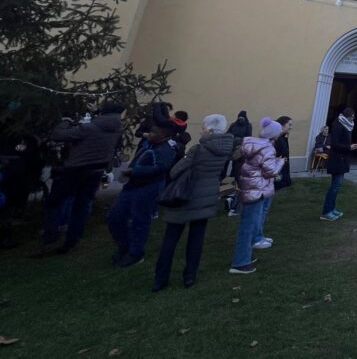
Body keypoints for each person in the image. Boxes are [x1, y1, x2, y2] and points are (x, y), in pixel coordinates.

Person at [152, 114, 234, 291]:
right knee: (197, 238)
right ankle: (189, 276)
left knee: (171, 238)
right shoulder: (225, 148)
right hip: (206, 197)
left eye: (203, 128)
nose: (201, 130)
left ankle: (161, 278)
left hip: (185, 196)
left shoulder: (198, 149)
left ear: (210, 131)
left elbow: (175, 172)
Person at [41, 102, 124, 255]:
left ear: (104, 112)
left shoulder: (89, 128)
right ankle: (73, 239)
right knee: (82, 205)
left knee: (54, 202)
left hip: (76, 169)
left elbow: (58, 135)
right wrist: (97, 111)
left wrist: (66, 120)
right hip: (97, 170)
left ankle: (50, 236)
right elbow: (106, 120)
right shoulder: (118, 127)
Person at [108, 123, 176, 267]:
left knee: (140, 220)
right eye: (149, 132)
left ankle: (135, 253)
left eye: (153, 132)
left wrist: (135, 172)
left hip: (148, 187)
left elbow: (161, 168)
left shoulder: (166, 149)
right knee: (115, 217)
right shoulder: (148, 145)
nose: (149, 135)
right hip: (132, 185)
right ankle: (124, 246)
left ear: (163, 135)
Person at [229, 118, 285, 274]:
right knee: (248, 226)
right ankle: (240, 263)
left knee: (250, 224)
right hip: (257, 189)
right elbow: (270, 171)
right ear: (275, 134)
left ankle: (245, 256)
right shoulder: (268, 149)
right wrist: (280, 162)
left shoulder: (252, 144)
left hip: (251, 187)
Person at [321, 107, 357, 221]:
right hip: (337, 160)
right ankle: (326, 211)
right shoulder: (338, 125)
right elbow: (335, 144)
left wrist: (350, 146)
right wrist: (349, 147)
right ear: (347, 116)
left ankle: (332, 208)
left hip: (342, 159)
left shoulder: (346, 125)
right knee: (335, 186)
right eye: (352, 116)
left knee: (336, 186)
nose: (353, 118)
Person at [275, 116, 293, 189]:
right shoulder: (276, 138)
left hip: (282, 168)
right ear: (282, 125)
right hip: (277, 170)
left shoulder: (283, 137)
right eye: (289, 125)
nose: (291, 127)